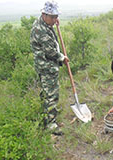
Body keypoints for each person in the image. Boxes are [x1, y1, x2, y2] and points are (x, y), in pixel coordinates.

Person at [30, 1, 68, 133]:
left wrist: (53, 24)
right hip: (46, 66)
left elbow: (50, 43)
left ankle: (45, 115)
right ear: (44, 14)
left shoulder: (44, 24)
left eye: (56, 16)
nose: (55, 19)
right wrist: (62, 58)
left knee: (46, 92)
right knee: (51, 94)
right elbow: (50, 52)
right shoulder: (41, 30)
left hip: (45, 65)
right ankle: (50, 124)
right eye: (52, 17)